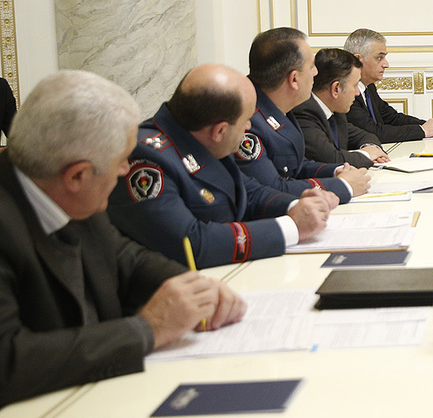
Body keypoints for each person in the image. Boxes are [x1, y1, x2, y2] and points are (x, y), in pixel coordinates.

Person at [0, 71, 246, 406]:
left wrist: (191, 287)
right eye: (120, 161)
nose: (125, 171)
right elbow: (9, 360)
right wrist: (148, 329)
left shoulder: (66, 189)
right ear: (77, 176)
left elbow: (124, 256)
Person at [108, 64, 333, 268]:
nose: (249, 126)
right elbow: (191, 243)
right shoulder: (145, 160)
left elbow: (249, 192)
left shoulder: (199, 136)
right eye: (246, 120)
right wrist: (291, 227)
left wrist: (297, 205)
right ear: (220, 131)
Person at [237, 27, 370, 204]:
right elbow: (271, 189)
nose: (316, 73)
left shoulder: (278, 107)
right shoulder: (245, 119)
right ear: (294, 79)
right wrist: (342, 186)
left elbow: (297, 166)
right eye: (311, 66)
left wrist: (336, 171)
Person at [343, 28, 433, 143]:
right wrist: (423, 130)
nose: (386, 64)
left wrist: (428, 125)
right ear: (357, 59)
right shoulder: (345, 92)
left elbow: (392, 118)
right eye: (379, 58)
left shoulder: (369, 87)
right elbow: (373, 132)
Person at [293, 49, 388, 169]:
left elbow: (365, 136)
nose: (358, 93)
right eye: (355, 85)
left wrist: (371, 148)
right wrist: (367, 154)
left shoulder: (336, 112)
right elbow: (331, 159)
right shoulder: (303, 113)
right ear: (336, 89)